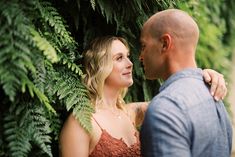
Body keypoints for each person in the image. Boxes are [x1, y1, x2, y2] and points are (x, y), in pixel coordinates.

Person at [59, 36, 227, 157]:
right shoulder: (81, 123)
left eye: (128, 56)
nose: (130, 63)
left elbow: (180, 104)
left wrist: (203, 76)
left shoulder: (130, 112)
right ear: (99, 67)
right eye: (119, 58)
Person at [140, 9, 232, 157]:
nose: (140, 56)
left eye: (144, 46)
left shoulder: (165, 109)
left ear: (165, 43)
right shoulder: (214, 96)